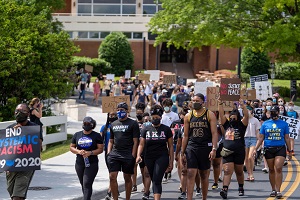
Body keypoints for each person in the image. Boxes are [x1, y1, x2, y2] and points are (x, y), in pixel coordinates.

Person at [181, 93, 218, 200]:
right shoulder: (188, 116)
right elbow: (186, 135)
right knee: (191, 173)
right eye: (193, 101)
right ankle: (189, 198)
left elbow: (214, 133)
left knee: (203, 174)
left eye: (197, 101)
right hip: (192, 147)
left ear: (203, 102)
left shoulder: (209, 114)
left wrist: (214, 149)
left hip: (205, 147)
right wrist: (182, 152)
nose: (195, 103)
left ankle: (204, 197)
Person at [253, 105, 292, 198]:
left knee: (278, 168)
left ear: (278, 113)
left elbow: (287, 137)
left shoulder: (284, 124)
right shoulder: (266, 124)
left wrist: (290, 150)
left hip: (280, 148)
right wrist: (255, 148)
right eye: (272, 112)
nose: (273, 114)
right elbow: (261, 137)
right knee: (271, 170)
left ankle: (278, 190)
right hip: (268, 148)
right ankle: (273, 189)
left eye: (275, 112)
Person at [136, 104, 174, 200]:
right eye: (153, 117)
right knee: (152, 178)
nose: (155, 119)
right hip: (148, 157)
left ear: (161, 117)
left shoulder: (166, 129)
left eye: (157, 117)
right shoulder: (146, 129)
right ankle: (149, 192)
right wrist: (138, 155)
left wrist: (171, 161)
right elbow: (141, 144)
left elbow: (170, 146)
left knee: (157, 180)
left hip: (162, 156)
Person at [6, 103, 43, 200]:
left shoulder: (34, 128)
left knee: (17, 196)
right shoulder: (10, 129)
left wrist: (23, 132)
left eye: (22, 111)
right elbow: (5, 149)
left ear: (28, 114)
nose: (19, 113)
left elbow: (38, 146)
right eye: (17, 111)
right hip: (12, 166)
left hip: (27, 165)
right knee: (12, 192)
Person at [107, 102, 140, 200]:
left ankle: (127, 198)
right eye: (118, 110)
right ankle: (115, 198)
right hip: (115, 154)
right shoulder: (113, 124)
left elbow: (136, 141)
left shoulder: (133, 123)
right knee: (112, 177)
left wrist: (133, 155)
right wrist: (109, 153)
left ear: (127, 111)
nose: (119, 112)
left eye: (122, 110)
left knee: (127, 178)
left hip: (127, 154)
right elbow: (111, 141)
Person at [218, 98, 249, 199]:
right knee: (227, 170)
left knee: (239, 171)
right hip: (227, 152)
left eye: (234, 117)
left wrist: (243, 106)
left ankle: (241, 187)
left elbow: (246, 116)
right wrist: (220, 103)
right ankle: (225, 189)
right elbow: (221, 115)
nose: (232, 119)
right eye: (231, 117)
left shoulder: (241, 125)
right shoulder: (227, 124)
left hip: (239, 152)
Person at [70, 116, 104, 200]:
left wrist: (90, 153)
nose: (86, 125)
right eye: (85, 123)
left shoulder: (96, 136)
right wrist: (78, 151)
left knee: (87, 183)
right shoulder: (77, 135)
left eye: (88, 124)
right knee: (83, 185)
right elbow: (71, 147)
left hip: (92, 163)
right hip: (79, 163)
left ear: (92, 125)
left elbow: (100, 149)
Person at [100, 112, 118, 200]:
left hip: (118, 151)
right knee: (111, 173)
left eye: (114, 115)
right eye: (111, 115)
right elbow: (100, 139)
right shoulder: (104, 127)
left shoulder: (119, 126)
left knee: (113, 173)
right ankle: (115, 189)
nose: (112, 117)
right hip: (108, 152)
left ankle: (109, 192)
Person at [244, 105, 261, 182]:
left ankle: (252, 174)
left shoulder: (255, 120)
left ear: (251, 111)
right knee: (246, 158)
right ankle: (249, 173)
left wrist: (259, 141)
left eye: (249, 110)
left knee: (251, 157)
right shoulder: (243, 120)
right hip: (245, 139)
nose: (248, 112)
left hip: (253, 139)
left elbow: (257, 132)